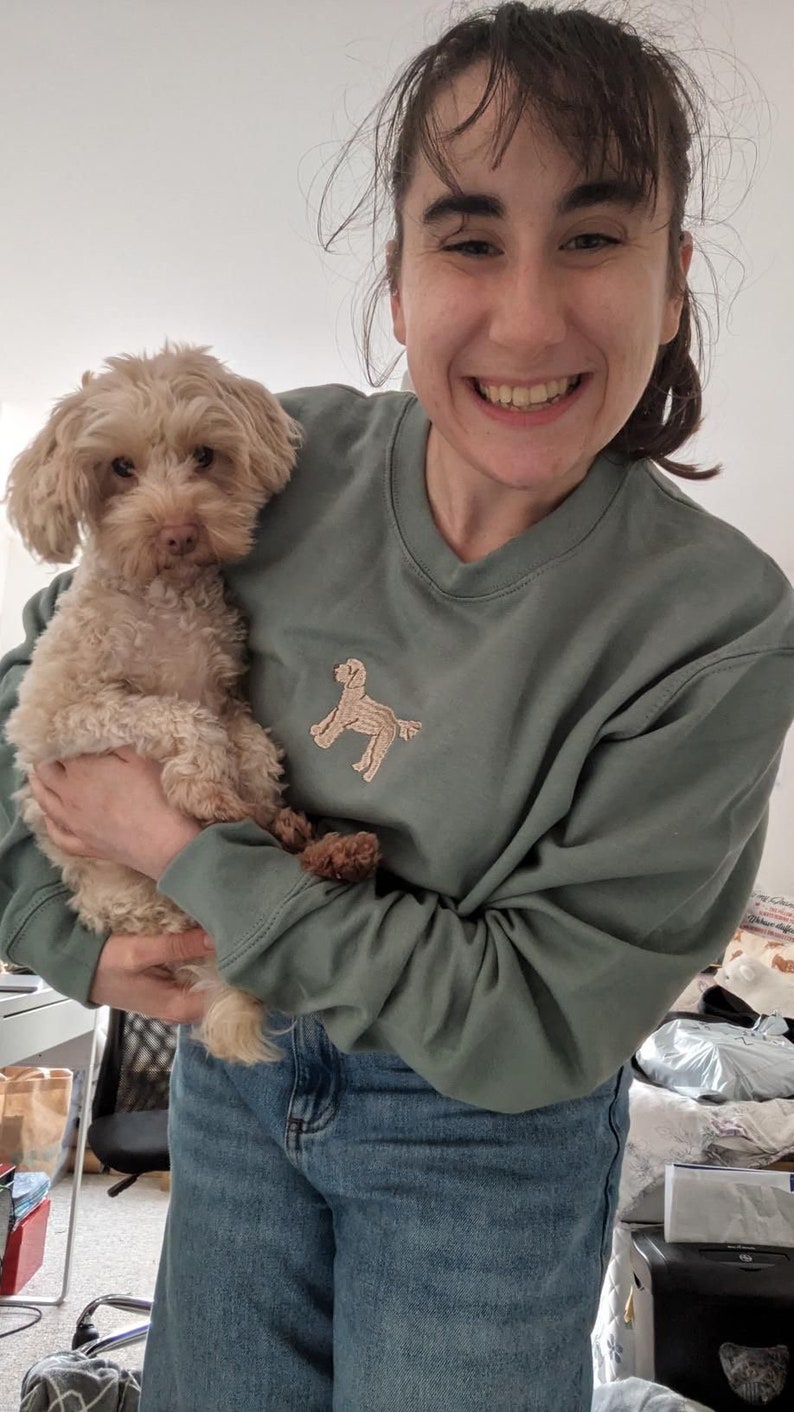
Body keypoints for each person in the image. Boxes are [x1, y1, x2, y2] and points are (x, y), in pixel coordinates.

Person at [2, 4, 794, 1408]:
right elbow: (36, 695)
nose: (527, 314)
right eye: (470, 238)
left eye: (594, 238)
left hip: (483, 1141)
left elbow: (536, 1018)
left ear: (673, 286)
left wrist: (192, 855)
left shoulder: (713, 630)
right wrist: (68, 939)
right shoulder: (285, 470)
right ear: (399, 279)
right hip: (236, 1081)